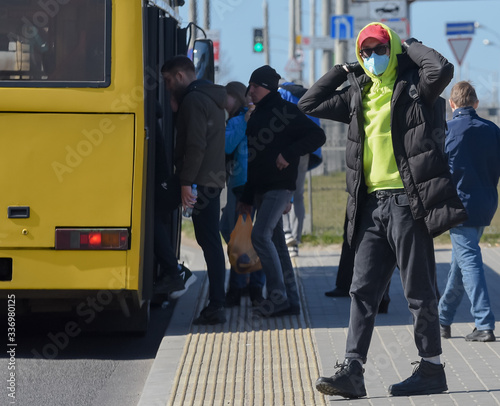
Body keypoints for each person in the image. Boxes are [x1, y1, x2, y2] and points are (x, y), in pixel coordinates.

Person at [298, 22, 467, 398]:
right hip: (371, 207)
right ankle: (352, 371)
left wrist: (409, 45)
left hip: (408, 203)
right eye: (366, 52)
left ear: (392, 50)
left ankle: (432, 369)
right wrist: (343, 70)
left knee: (418, 291)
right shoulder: (358, 92)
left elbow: (440, 68)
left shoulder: (414, 87)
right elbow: (307, 102)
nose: (372, 58)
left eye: (379, 50)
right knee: (361, 291)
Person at [238, 65, 326, 317]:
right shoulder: (255, 116)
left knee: (259, 236)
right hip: (260, 189)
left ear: (266, 87)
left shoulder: (288, 111)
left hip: (279, 187)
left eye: (254, 86)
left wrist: (288, 154)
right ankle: (291, 300)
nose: (250, 90)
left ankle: (277, 298)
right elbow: (253, 162)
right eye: (249, 86)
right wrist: (246, 197)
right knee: (276, 243)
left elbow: (317, 136)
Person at [161, 55, 227, 325]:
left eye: (167, 81)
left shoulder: (193, 100)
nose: (166, 87)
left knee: (208, 241)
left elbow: (195, 145)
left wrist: (186, 183)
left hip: (199, 180)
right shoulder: (207, 96)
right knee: (209, 241)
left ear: (179, 76)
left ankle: (212, 302)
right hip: (209, 179)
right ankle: (214, 301)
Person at [438, 81, 499, 343]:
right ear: (475, 104)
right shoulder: (492, 130)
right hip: (485, 204)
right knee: (460, 264)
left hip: (457, 206)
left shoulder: (446, 131)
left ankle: (484, 323)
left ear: (452, 104)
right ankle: (442, 319)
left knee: (469, 261)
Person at [219, 81, 266, 307]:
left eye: (226, 97)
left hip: (252, 185)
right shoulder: (237, 121)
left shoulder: (250, 120)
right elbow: (227, 146)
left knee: (248, 239)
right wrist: (243, 124)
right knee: (240, 237)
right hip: (241, 185)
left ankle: (243, 289)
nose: (222, 103)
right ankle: (247, 286)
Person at [153, 101, 196, 303]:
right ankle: (176, 271)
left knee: (152, 221)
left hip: (163, 185)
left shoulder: (149, 124)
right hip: (165, 184)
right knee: (155, 221)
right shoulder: (154, 121)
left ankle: (175, 272)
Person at [278, 81, 323, 258]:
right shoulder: (308, 94)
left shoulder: (281, 93)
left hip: (286, 149)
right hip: (305, 150)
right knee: (298, 194)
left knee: (281, 190)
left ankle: (286, 232)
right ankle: (295, 239)